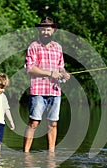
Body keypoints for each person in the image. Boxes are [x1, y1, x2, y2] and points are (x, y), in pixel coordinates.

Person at [23, 17, 70, 153]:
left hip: (55, 91)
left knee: (53, 123)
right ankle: (25, 153)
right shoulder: (33, 47)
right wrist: (50, 73)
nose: (45, 32)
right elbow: (30, 68)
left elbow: (61, 67)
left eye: (48, 29)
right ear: (39, 30)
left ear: (53, 30)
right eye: (43, 29)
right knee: (34, 123)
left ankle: (51, 153)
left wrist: (64, 74)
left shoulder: (58, 47)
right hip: (38, 90)